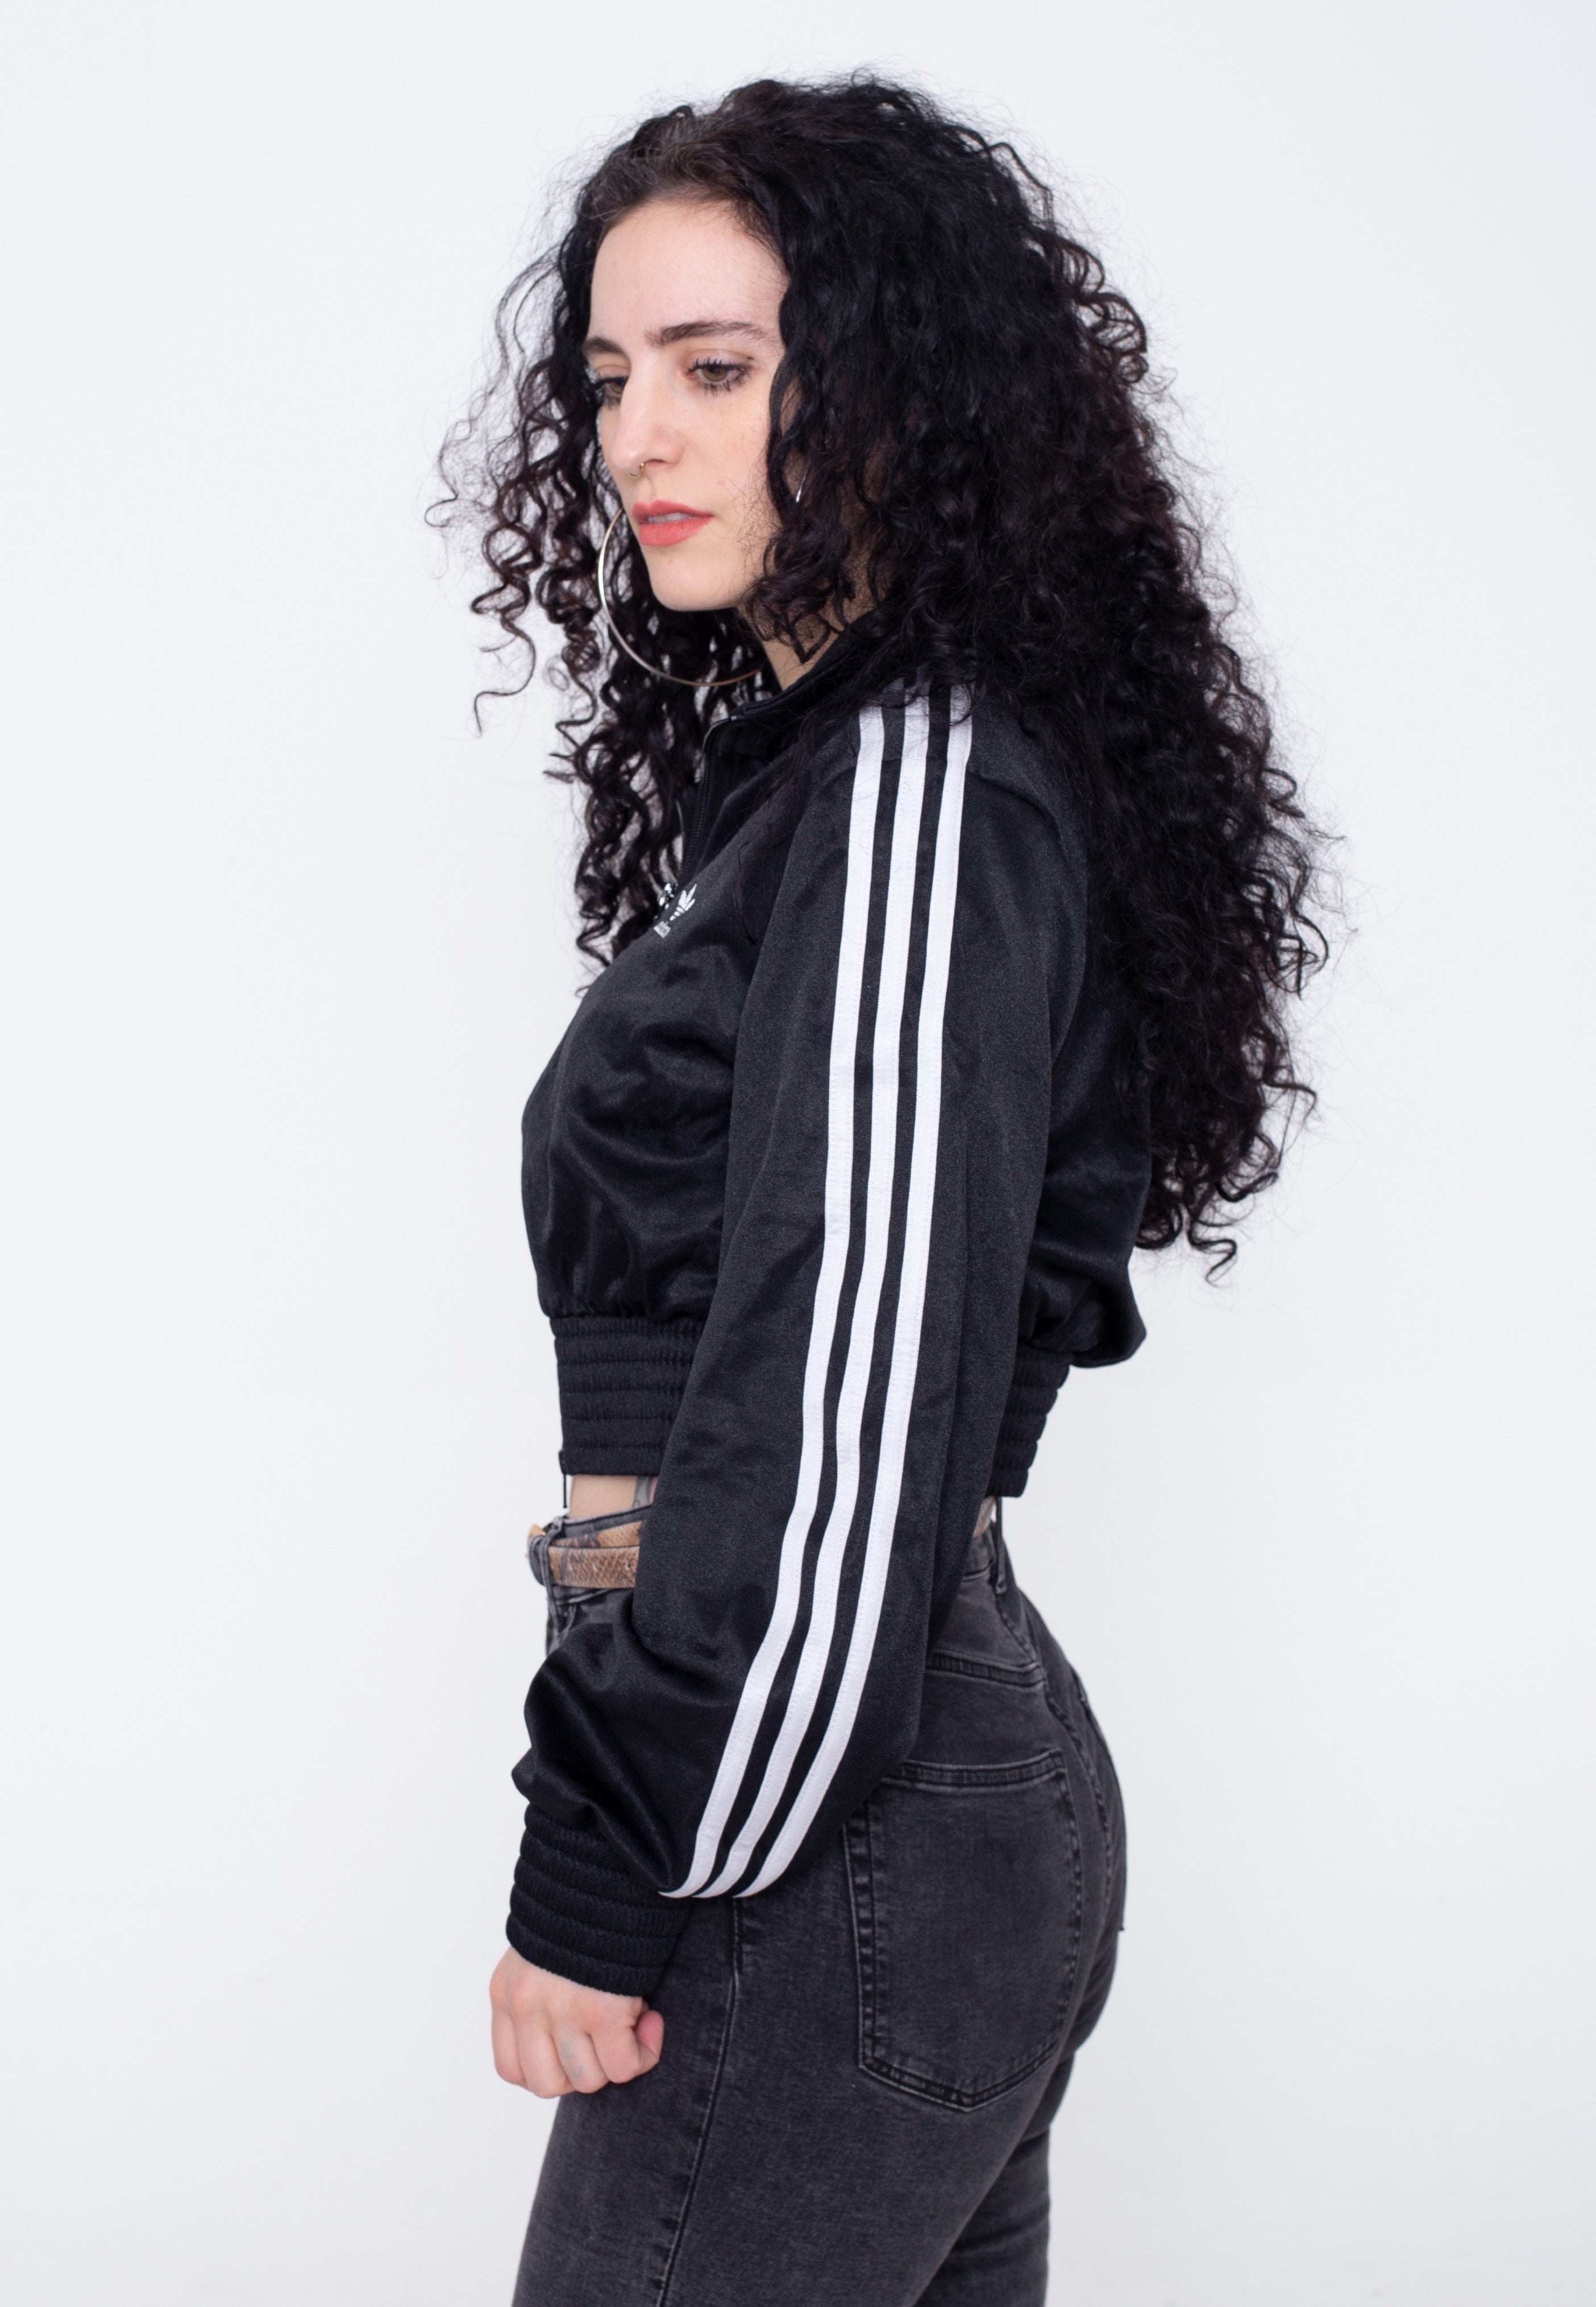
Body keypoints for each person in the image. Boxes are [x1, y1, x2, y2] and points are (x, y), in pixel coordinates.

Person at [439, 76, 1324, 2307]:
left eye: (719, 368)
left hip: (817, 1806)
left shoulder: (922, 789)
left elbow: (834, 1420)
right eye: (611, 379)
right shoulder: (836, 782)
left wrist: (607, 1856)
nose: (643, 436)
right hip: (857, 1779)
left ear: (902, 386)